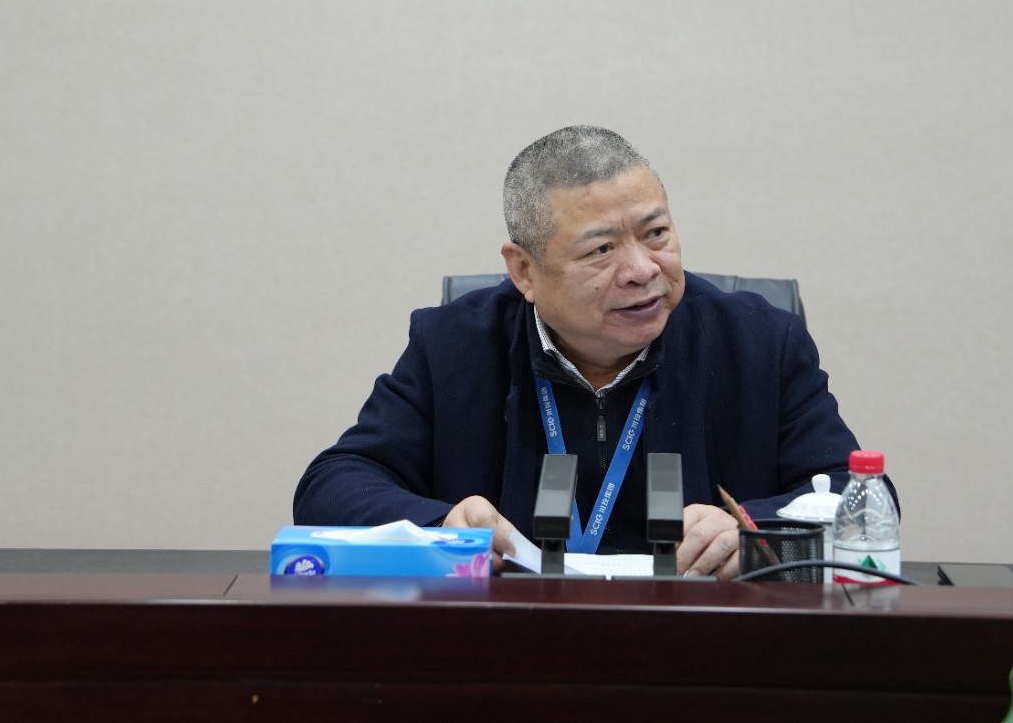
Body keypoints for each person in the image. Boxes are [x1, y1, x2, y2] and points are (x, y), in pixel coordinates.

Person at [293, 125, 873, 579]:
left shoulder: (759, 343)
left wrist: (752, 533)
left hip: (706, 649)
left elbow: (861, 498)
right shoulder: (453, 346)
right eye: (601, 250)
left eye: (656, 234)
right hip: (511, 647)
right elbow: (332, 486)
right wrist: (439, 524)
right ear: (524, 270)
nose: (642, 270)